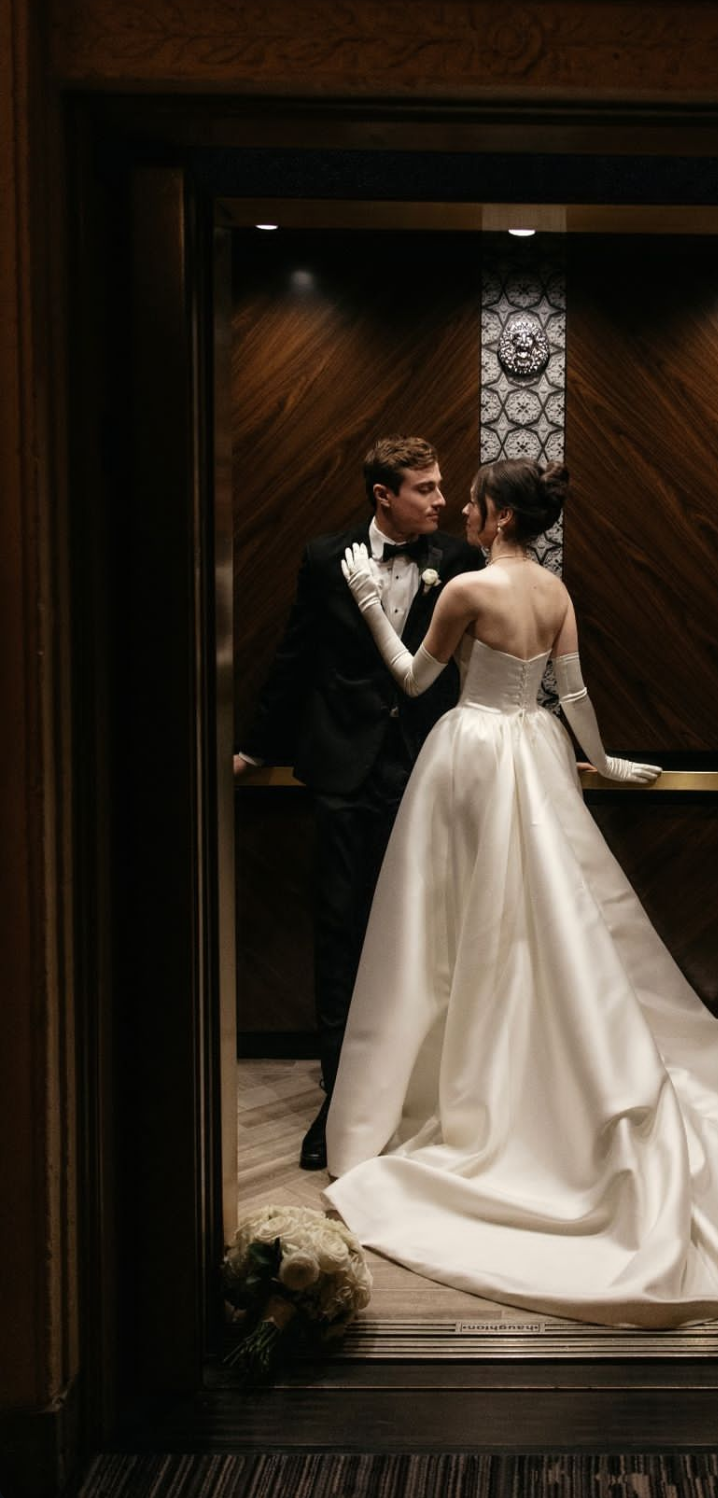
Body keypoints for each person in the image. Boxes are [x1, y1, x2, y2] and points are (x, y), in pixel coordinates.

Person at [321, 458, 718, 1329]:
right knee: (544, 917)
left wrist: (375, 605)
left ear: (492, 515)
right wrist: (600, 760)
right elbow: (575, 694)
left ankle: (455, 1080)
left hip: (471, 754)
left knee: (451, 919)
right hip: (533, 748)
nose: (466, 512)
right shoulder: (556, 590)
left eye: (475, 501)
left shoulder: (465, 591)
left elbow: (415, 681)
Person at [234, 435, 483, 1170]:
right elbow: (294, 655)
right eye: (426, 488)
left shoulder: (460, 562)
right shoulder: (322, 557)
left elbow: (504, 647)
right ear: (384, 495)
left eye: (442, 487)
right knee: (339, 938)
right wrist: (255, 744)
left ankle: (416, 1100)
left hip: (428, 774)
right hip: (342, 775)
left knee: (422, 937)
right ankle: (339, 1107)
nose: (441, 499)